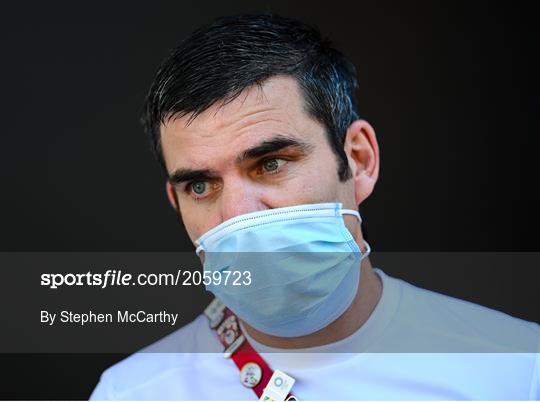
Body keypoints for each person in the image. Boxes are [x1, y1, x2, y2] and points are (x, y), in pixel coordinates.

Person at [90, 14, 539, 400]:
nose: (240, 212)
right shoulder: (132, 392)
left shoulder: (516, 370)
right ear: (176, 201)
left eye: (270, 164)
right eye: (201, 186)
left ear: (359, 161)